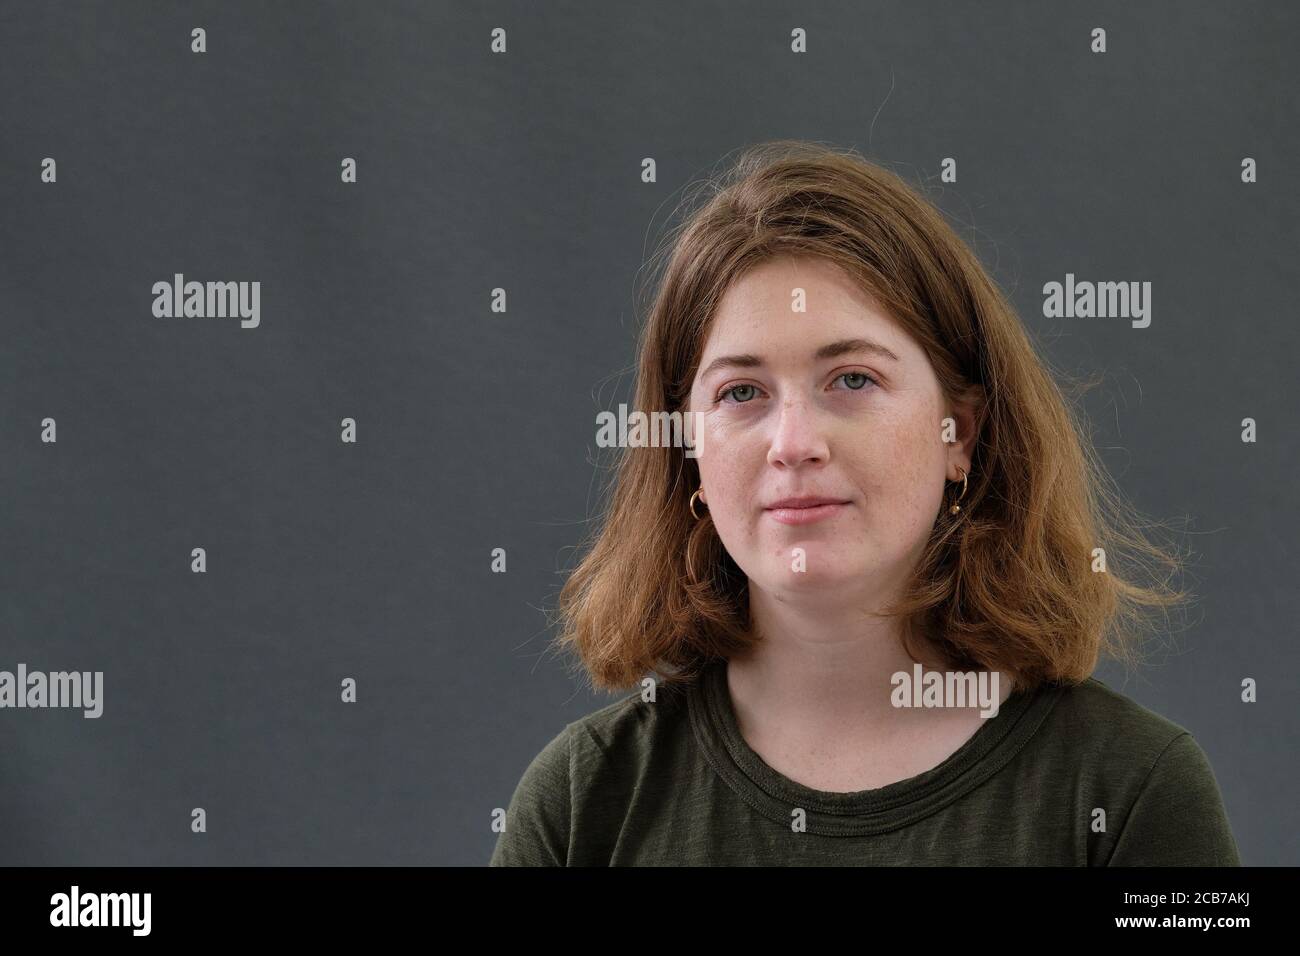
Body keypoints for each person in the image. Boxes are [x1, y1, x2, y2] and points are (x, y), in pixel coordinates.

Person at [490, 140, 1240, 866]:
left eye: (851, 379)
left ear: (961, 434)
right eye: (741, 392)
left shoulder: (1135, 792)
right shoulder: (580, 805)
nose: (793, 443)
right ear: (686, 447)